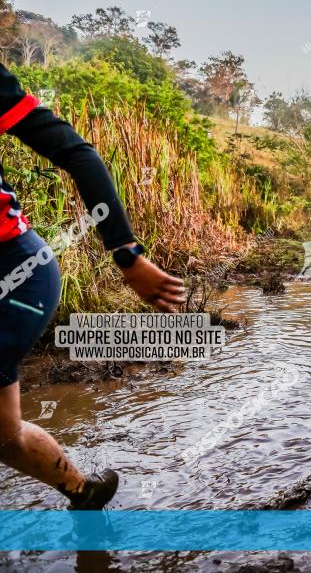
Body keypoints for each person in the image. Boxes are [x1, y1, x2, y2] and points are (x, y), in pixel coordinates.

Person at [0, 64, 186, 509]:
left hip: (15, 275)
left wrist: (127, 252)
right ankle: (84, 494)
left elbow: (76, 153)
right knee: (5, 437)